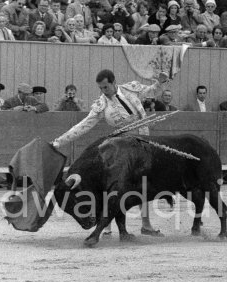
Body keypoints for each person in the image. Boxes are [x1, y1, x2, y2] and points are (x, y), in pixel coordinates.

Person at [51, 69, 170, 236]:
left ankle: (146, 224)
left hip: (143, 143)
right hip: (123, 148)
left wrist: (161, 82)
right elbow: (83, 126)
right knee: (115, 185)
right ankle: (107, 225)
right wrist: (59, 141)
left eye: (106, 87)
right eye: (100, 88)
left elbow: (153, 91)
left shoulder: (131, 89)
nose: (103, 91)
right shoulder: (101, 104)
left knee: (143, 183)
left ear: (114, 83)